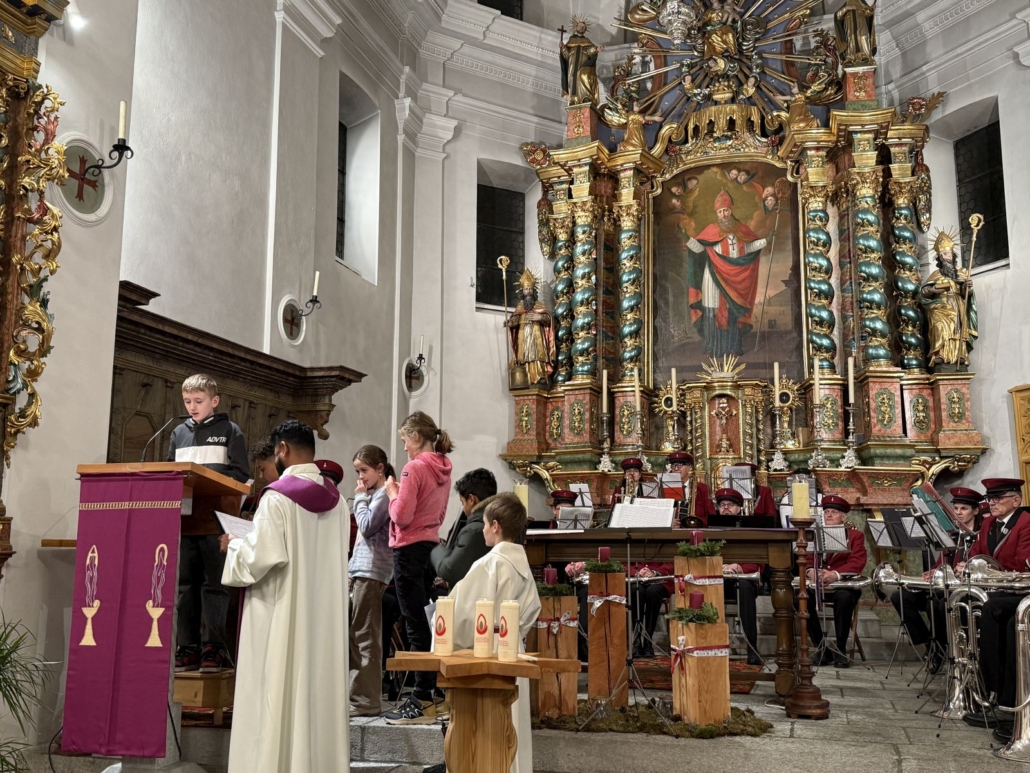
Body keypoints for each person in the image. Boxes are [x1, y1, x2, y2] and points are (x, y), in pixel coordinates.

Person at [220, 419, 349, 773]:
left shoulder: (277, 497)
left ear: (282, 449)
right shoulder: (338, 502)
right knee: (316, 694)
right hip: (322, 620)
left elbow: (260, 558)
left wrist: (235, 545)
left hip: (282, 614)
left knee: (277, 690)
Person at [447, 493, 541, 773]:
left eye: (485, 524)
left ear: (496, 526)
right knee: (513, 730)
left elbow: (461, 614)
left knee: (487, 739)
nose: (483, 530)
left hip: (487, 654)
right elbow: (533, 609)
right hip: (514, 651)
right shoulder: (523, 565)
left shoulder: (489, 564)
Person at [169, 373, 249, 674]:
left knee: (214, 586)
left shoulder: (230, 431)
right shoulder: (178, 432)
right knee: (185, 587)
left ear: (214, 401)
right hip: (186, 520)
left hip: (217, 522)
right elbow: (171, 474)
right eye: (187, 401)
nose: (192, 406)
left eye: (198, 401)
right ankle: (187, 646)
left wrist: (207, 477)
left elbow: (240, 475)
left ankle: (213, 646)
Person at [383, 411, 454, 725]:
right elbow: (437, 512)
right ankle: (435, 693)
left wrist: (393, 494)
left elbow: (401, 517)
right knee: (427, 621)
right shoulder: (443, 467)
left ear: (415, 436)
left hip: (409, 550)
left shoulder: (413, 468)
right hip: (430, 548)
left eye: (405, 440)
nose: (404, 448)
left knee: (415, 625)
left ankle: (421, 698)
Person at [962, 477, 1030, 742]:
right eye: (990, 499)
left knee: (997, 612)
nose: (991, 503)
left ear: (1016, 500)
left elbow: (1022, 562)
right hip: (999, 589)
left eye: (998, 499)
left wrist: (990, 571)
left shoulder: (1025, 521)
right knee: (970, 607)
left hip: (1019, 592)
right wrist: (967, 565)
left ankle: (1007, 701)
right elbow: (977, 554)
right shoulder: (989, 524)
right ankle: (991, 691)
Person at [889, 487, 982, 674]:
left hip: (963, 590)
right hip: (944, 587)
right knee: (900, 597)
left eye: (964, 509)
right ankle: (929, 643)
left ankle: (940, 650)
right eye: (956, 508)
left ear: (975, 511)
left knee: (936, 602)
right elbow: (941, 563)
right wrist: (934, 571)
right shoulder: (951, 535)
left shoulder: (979, 535)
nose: (958, 513)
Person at [681, 189, 769, 358]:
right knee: (712, 311)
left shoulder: (741, 229)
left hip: (735, 278)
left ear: (731, 210)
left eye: (726, 210)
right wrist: (686, 237)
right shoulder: (711, 229)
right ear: (717, 213)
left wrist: (766, 241)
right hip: (713, 277)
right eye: (720, 211)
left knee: (733, 311)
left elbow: (750, 247)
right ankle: (712, 347)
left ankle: (733, 347)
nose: (723, 214)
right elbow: (699, 248)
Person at [349, 445, 396, 717]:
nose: (361, 477)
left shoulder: (383, 495)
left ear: (380, 469)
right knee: (359, 635)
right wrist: (350, 571)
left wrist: (359, 498)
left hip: (372, 572)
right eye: (357, 472)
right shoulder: (374, 494)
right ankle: (360, 697)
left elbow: (366, 527)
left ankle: (366, 701)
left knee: (365, 636)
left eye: (364, 470)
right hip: (363, 571)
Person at [800, 495, 867, 668]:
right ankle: (821, 647)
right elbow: (808, 558)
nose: (829, 515)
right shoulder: (815, 534)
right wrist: (811, 571)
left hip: (843, 585)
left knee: (844, 598)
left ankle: (841, 649)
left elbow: (857, 562)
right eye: (827, 512)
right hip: (819, 584)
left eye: (834, 512)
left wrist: (835, 574)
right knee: (799, 598)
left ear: (844, 517)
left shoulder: (855, 536)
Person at [714, 489, 762, 665]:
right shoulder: (711, 529)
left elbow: (759, 559)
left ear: (739, 508)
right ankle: (708, 645)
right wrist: (719, 566)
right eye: (722, 505)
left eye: (730, 505)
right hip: (719, 578)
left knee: (745, 586)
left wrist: (739, 567)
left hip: (742, 579)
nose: (726, 508)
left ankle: (752, 648)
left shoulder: (750, 529)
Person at [919, 229, 977, 372]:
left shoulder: (962, 272)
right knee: (939, 326)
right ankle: (940, 353)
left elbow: (966, 294)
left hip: (957, 303)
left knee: (958, 329)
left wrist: (967, 287)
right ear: (939, 258)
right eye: (944, 254)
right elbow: (924, 292)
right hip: (941, 305)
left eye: (949, 253)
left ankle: (960, 354)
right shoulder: (936, 274)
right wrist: (933, 290)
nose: (947, 257)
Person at [431, 469, 496, 588]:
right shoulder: (499, 524)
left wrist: (436, 550)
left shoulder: (474, 531)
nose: (463, 508)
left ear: (471, 499)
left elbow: (451, 570)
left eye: (462, 502)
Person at [630, 562, 673, 658]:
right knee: (636, 591)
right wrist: (636, 572)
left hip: (659, 580)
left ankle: (648, 640)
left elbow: (670, 561)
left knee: (653, 592)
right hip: (635, 579)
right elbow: (622, 561)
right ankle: (637, 641)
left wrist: (655, 572)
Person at [667, 452, 714, 526]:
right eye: (673, 465)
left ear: (689, 467)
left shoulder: (702, 488)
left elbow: (711, 516)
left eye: (680, 465)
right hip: (673, 530)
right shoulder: (666, 488)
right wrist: (668, 522)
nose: (676, 468)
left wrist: (698, 522)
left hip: (695, 529)